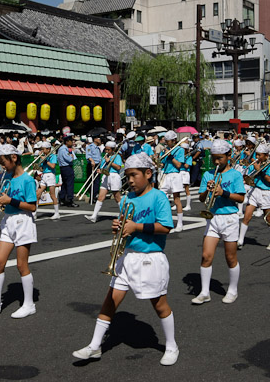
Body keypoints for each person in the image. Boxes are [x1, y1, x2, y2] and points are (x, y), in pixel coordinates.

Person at [72, 153, 178, 366]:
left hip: (151, 257)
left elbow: (166, 227)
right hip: (128, 257)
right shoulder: (127, 199)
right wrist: (118, 227)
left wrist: (136, 227)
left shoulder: (158, 197)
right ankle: (94, 346)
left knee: (159, 304)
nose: (129, 180)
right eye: (127, 176)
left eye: (134, 175)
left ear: (148, 174)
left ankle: (171, 345)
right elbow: (124, 225)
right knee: (110, 301)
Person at [0, 144, 38, 319]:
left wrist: (10, 200)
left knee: (21, 265)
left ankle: (29, 304)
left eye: (3, 162)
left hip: (23, 222)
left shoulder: (27, 180)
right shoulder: (6, 177)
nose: (1, 167)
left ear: (14, 158)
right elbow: (5, 198)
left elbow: (32, 206)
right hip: (8, 221)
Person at [192, 139, 245, 305]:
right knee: (206, 256)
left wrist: (223, 193)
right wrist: (207, 191)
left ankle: (233, 290)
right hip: (213, 218)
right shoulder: (208, 174)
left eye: (220, 158)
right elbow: (201, 198)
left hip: (230, 218)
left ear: (228, 156)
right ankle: (205, 291)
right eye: (214, 158)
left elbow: (241, 198)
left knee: (230, 257)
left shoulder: (235, 174)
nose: (216, 161)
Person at [238, 143, 270, 250]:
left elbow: (269, 180)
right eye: (257, 154)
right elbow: (249, 177)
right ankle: (240, 240)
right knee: (247, 216)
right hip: (254, 191)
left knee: (268, 218)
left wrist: (259, 170)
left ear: (266, 155)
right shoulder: (254, 164)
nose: (257, 157)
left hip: (265, 193)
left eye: (260, 155)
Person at [85, 141, 123, 223]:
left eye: (108, 149)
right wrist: (100, 171)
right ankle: (94, 216)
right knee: (100, 197)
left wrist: (109, 162)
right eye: (106, 149)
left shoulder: (117, 157)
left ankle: (124, 215)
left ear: (113, 149)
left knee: (117, 197)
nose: (106, 151)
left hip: (114, 176)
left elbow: (118, 167)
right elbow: (103, 167)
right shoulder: (105, 157)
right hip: (106, 176)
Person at [158, 130, 185, 232]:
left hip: (175, 175)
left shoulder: (179, 150)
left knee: (176, 200)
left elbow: (178, 165)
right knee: (162, 198)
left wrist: (170, 156)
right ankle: (166, 222)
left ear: (173, 140)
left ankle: (180, 223)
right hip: (166, 175)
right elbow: (162, 163)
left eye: (168, 141)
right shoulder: (165, 149)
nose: (166, 143)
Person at [37, 141, 60, 219]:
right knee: (38, 193)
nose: (42, 151)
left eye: (43, 149)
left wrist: (45, 160)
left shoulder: (53, 156)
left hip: (50, 175)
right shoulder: (44, 156)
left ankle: (57, 213)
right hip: (44, 175)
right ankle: (34, 213)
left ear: (48, 149)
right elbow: (41, 168)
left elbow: (53, 166)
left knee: (52, 194)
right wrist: (39, 163)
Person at [57, 135, 78, 207]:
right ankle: (70, 200)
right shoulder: (63, 149)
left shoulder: (65, 149)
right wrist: (71, 156)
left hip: (64, 167)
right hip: (66, 167)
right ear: (67, 142)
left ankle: (63, 199)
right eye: (71, 141)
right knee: (69, 184)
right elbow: (69, 159)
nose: (72, 142)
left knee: (65, 184)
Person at [85, 135, 102, 203]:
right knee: (93, 181)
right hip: (92, 165)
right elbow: (88, 155)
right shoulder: (90, 147)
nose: (100, 140)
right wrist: (92, 161)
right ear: (95, 139)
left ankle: (95, 195)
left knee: (97, 181)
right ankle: (92, 197)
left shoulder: (98, 148)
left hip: (98, 165)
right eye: (99, 138)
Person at [180, 142, 193, 211]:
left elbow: (186, 166)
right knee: (177, 189)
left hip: (185, 173)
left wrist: (182, 160)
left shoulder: (189, 157)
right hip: (179, 172)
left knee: (186, 189)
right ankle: (178, 204)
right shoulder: (180, 156)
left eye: (184, 149)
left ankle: (188, 205)